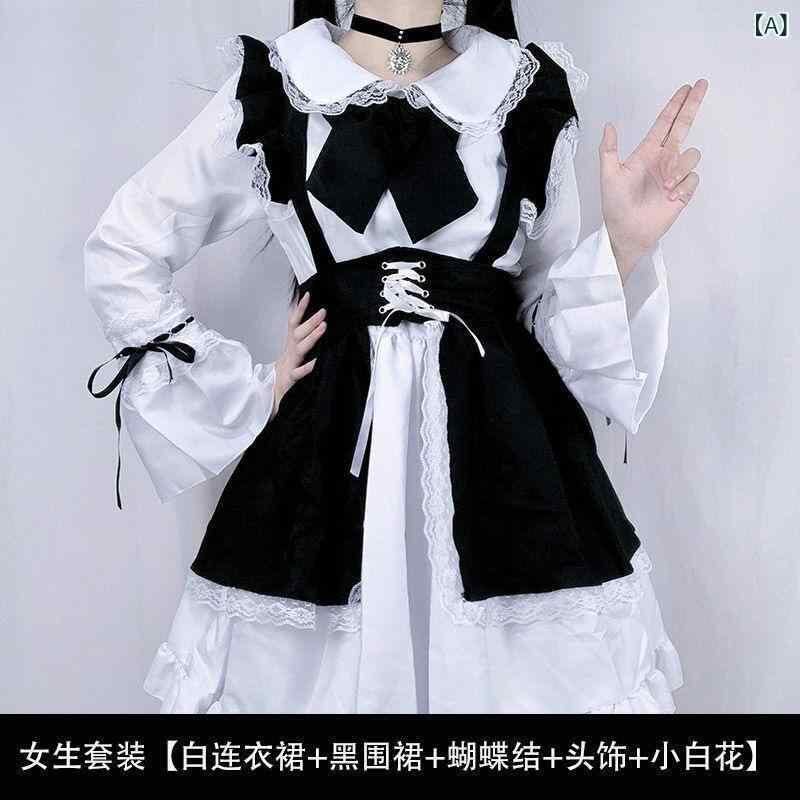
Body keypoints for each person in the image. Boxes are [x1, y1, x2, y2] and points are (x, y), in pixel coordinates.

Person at [85, 0, 708, 713]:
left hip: (504, 459)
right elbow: (123, 248)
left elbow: (539, 322)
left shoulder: (524, 93)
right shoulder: (279, 88)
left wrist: (623, 245)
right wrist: (250, 388)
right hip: (327, 447)